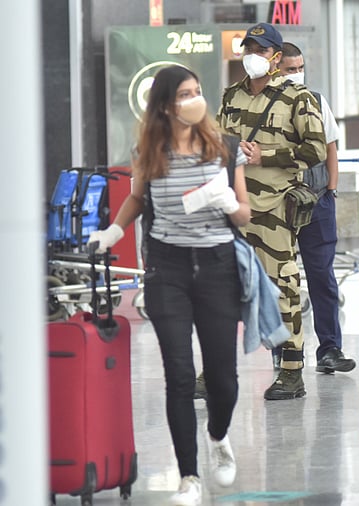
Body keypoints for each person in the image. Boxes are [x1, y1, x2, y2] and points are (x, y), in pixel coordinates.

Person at [89, 65, 250, 505]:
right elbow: (138, 199)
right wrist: (113, 232)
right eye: (184, 93)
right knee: (178, 374)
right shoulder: (149, 149)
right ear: (164, 104)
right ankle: (189, 478)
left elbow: (245, 216)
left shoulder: (225, 147)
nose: (194, 99)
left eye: (198, 91)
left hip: (217, 268)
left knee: (224, 380)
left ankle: (218, 436)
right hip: (168, 269)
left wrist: (228, 201)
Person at [217, 23, 327, 400]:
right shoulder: (232, 95)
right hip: (234, 206)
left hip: (275, 206)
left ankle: (292, 370)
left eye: (261, 50)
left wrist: (269, 155)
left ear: (277, 58)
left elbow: (315, 150)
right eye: (248, 47)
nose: (252, 54)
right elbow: (218, 142)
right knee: (221, 288)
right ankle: (213, 370)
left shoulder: (298, 98)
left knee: (283, 286)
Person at [278, 41, 356, 374]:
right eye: (289, 69)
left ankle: (330, 348)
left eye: (299, 68)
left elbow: (330, 147)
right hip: (277, 202)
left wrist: (332, 189)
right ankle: (283, 350)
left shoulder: (316, 101)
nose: (296, 75)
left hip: (317, 198)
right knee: (280, 278)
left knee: (322, 276)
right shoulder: (265, 106)